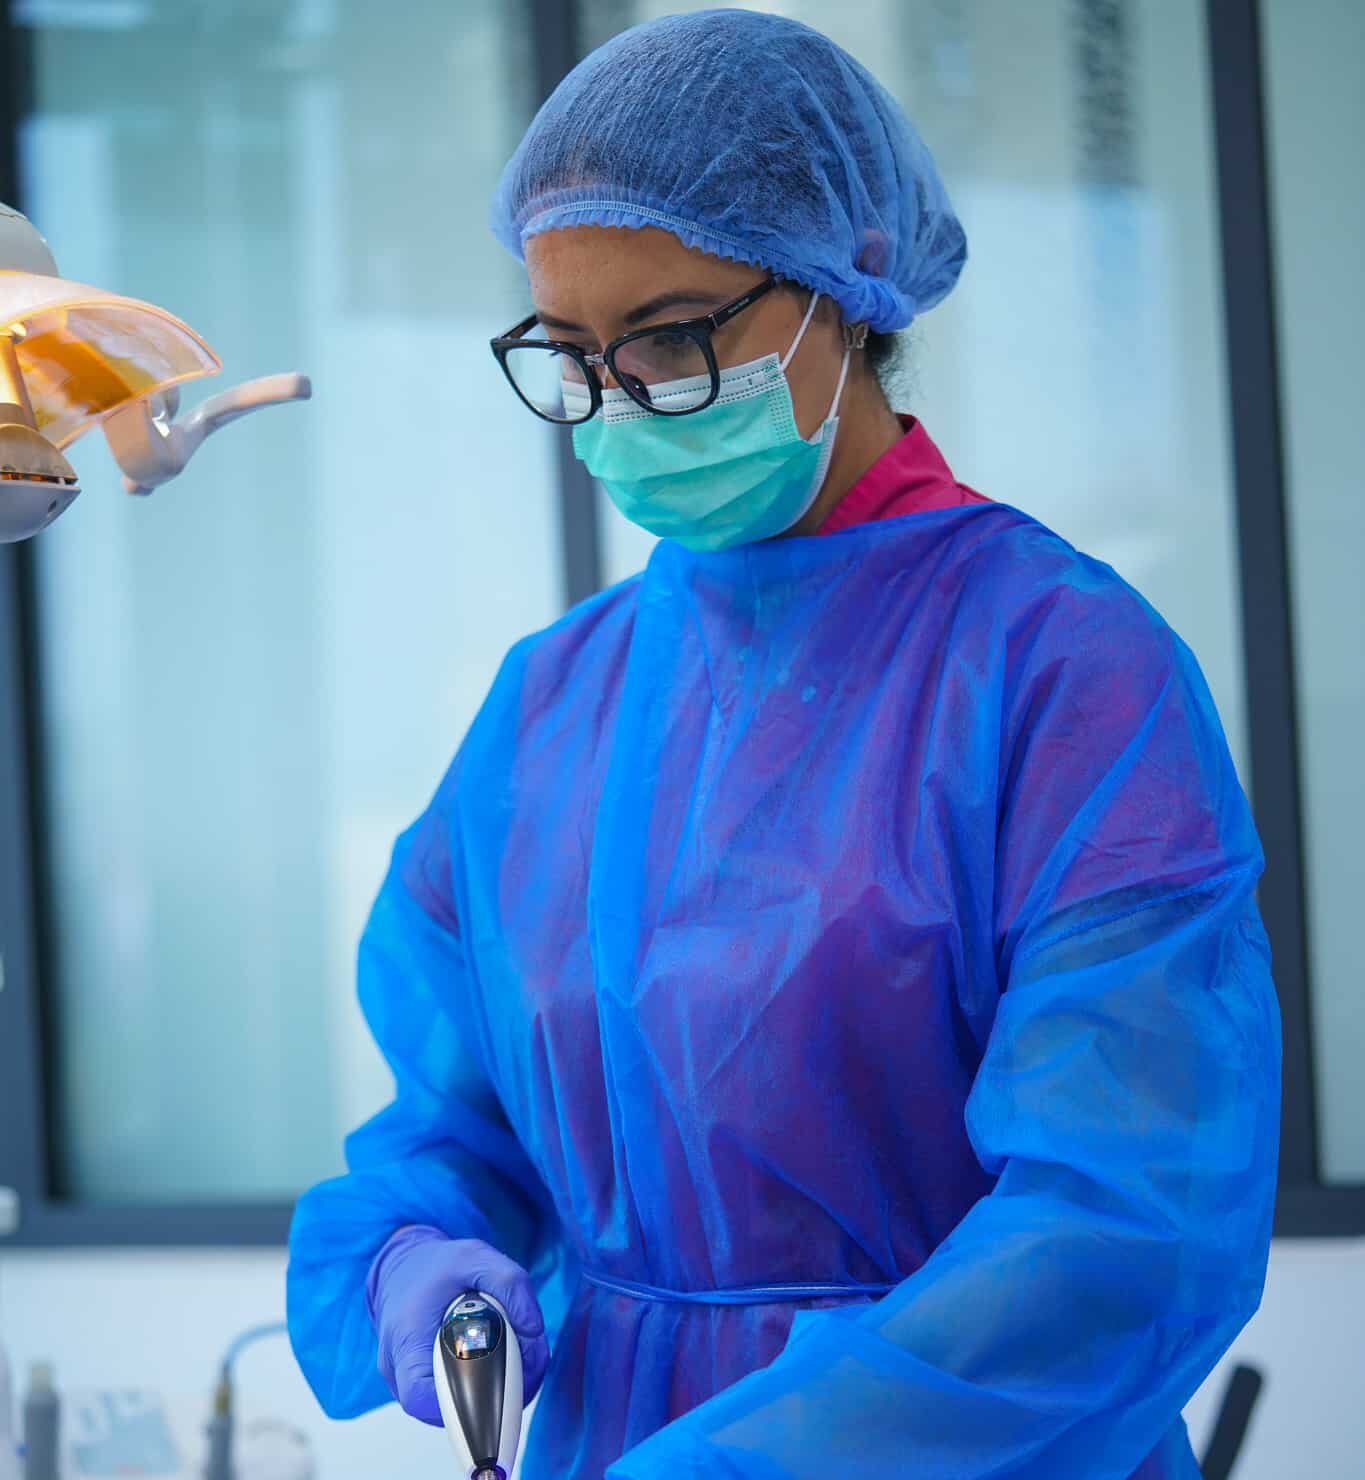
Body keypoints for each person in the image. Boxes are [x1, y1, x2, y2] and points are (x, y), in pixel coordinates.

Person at [286, 11, 1281, 1478]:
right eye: (569, 352)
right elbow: (455, 1124)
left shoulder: (1061, 671)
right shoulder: (554, 707)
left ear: (846, 288)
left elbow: (1122, 1234)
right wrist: (409, 1257)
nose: (618, 399)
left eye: (671, 337)